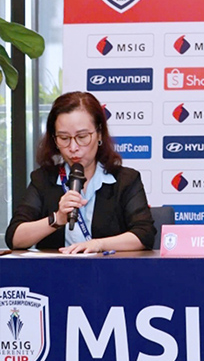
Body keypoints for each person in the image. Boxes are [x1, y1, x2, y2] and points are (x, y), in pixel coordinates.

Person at [5, 91, 155, 253]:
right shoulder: (43, 179)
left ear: (99, 134)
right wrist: (57, 219)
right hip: (56, 274)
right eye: (64, 138)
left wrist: (99, 244)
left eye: (82, 136)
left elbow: (144, 235)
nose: (73, 147)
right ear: (55, 140)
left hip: (109, 273)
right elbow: (14, 238)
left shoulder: (125, 180)